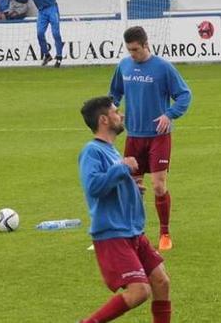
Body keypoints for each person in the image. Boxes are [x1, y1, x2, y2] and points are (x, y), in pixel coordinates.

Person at [78, 96, 172, 323]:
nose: (121, 115)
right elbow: (94, 186)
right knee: (139, 291)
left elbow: (111, 183)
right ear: (103, 120)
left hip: (132, 232)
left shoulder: (111, 151)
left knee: (161, 282)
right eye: (115, 111)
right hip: (113, 233)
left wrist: (131, 187)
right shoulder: (93, 151)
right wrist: (122, 169)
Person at [109, 26, 192, 251]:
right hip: (133, 136)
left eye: (135, 50)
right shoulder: (124, 66)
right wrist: (113, 110)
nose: (132, 54)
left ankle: (165, 233)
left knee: (157, 186)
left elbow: (185, 95)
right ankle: (135, 233)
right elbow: (115, 93)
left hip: (158, 137)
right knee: (133, 187)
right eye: (129, 50)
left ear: (146, 45)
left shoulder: (163, 68)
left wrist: (169, 114)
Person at [12, 0, 64, 67]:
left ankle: (59, 57)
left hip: (51, 8)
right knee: (40, 34)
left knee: (56, 33)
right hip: (42, 12)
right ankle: (47, 55)